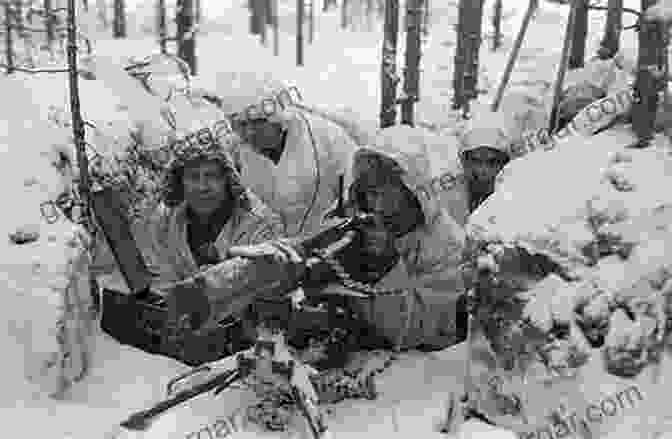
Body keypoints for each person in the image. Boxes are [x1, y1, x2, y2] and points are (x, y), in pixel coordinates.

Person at [170, 126, 468, 351]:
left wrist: (383, 266)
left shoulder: (447, 245)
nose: (376, 206)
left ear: (411, 192)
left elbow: (412, 332)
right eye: (371, 193)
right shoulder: (351, 221)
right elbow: (309, 260)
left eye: (387, 195)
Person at [212, 72, 361, 238]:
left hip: (324, 243)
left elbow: (356, 191)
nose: (250, 132)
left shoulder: (329, 138)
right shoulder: (236, 148)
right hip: (264, 249)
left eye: (259, 122)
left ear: (280, 117)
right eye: (241, 125)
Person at [457, 113, 513, 213]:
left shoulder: (512, 198)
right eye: (476, 161)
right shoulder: (455, 196)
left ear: (504, 162)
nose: (483, 170)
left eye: (492, 162)